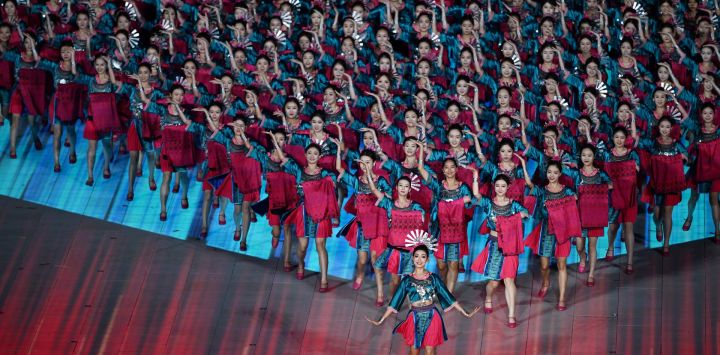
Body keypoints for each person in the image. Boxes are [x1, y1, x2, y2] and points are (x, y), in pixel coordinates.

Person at [367, 244, 480, 355]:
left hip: (432, 316)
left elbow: (448, 297)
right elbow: (395, 302)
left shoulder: (433, 278)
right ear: (412, 258)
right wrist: (381, 320)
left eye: (423, 256)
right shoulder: (407, 280)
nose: (419, 259)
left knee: (430, 351)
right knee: (414, 351)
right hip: (414, 317)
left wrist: (464, 312)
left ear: (427, 259)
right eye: (416, 256)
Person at [470, 162, 532, 328]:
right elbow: (476, 195)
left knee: (509, 280)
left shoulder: (514, 205)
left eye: (503, 186)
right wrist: (476, 176)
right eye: (497, 185)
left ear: (508, 187)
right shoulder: (489, 204)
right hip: (494, 245)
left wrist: (520, 214)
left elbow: (526, 214)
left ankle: (512, 315)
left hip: (510, 246)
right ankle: (488, 297)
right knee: (494, 282)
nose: (499, 188)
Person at [525, 161, 582, 311]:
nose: (551, 175)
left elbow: (576, 199)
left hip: (563, 232)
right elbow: (529, 186)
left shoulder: (567, 191)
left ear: (560, 174)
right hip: (546, 231)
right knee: (544, 266)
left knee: (561, 265)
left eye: (555, 172)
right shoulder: (542, 191)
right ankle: (545, 283)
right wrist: (524, 167)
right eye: (549, 172)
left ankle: (562, 298)